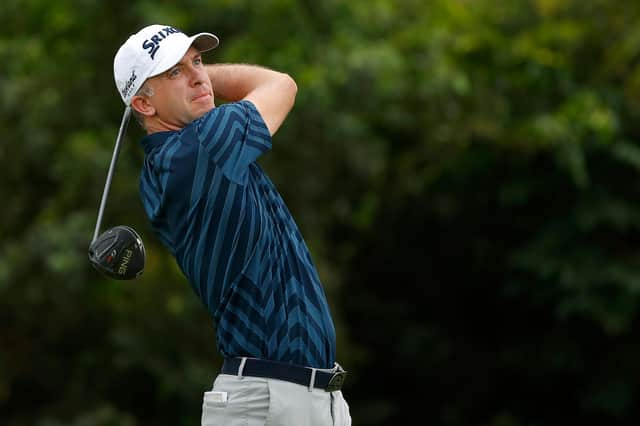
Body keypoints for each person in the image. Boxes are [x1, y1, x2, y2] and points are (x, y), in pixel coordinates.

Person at [113, 24, 352, 425]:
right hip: (268, 402)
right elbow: (281, 84)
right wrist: (206, 80)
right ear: (143, 104)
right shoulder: (197, 151)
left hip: (301, 398)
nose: (197, 75)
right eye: (174, 72)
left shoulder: (184, 156)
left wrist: (190, 79)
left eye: (198, 61)